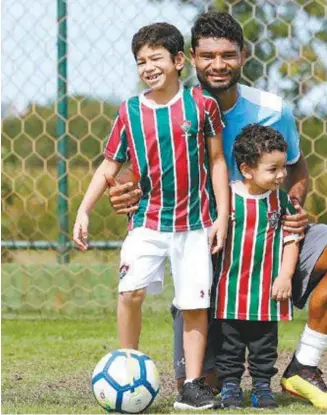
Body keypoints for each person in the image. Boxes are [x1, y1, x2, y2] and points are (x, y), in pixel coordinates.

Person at [107, 12, 327, 411]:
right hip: (205, 244)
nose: (217, 65)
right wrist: (124, 191)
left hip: (269, 235)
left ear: (244, 56)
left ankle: (304, 367)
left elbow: (295, 165)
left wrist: (293, 208)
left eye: (228, 55)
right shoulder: (172, 108)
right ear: (190, 58)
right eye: (207, 56)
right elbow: (133, 168)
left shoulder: (272, 108)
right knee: (199, 385)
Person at [73, 22, 229, 410]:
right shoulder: (129, 112)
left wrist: (222, 217)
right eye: (140, 61)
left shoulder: (201, 106)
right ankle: (126, 366)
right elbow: (109, 165)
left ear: (179, 61)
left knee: (194, 305)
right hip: (146, 223)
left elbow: (217, 161)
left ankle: (192, 386)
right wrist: (84, 209)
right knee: (130, 293)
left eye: (155, 58)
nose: (148, 67)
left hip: (195, 225)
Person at [213, 124, 300, 409]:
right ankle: (230, 386)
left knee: (264, 346)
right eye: (272, 169)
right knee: (230, 346)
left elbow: (291, 239)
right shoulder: (226, 198)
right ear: (247, 169)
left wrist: (285, 275)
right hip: (230, 290)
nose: (281, 175)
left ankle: (262, 387)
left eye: (283, 167)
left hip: (266, 291)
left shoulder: (281, 201)